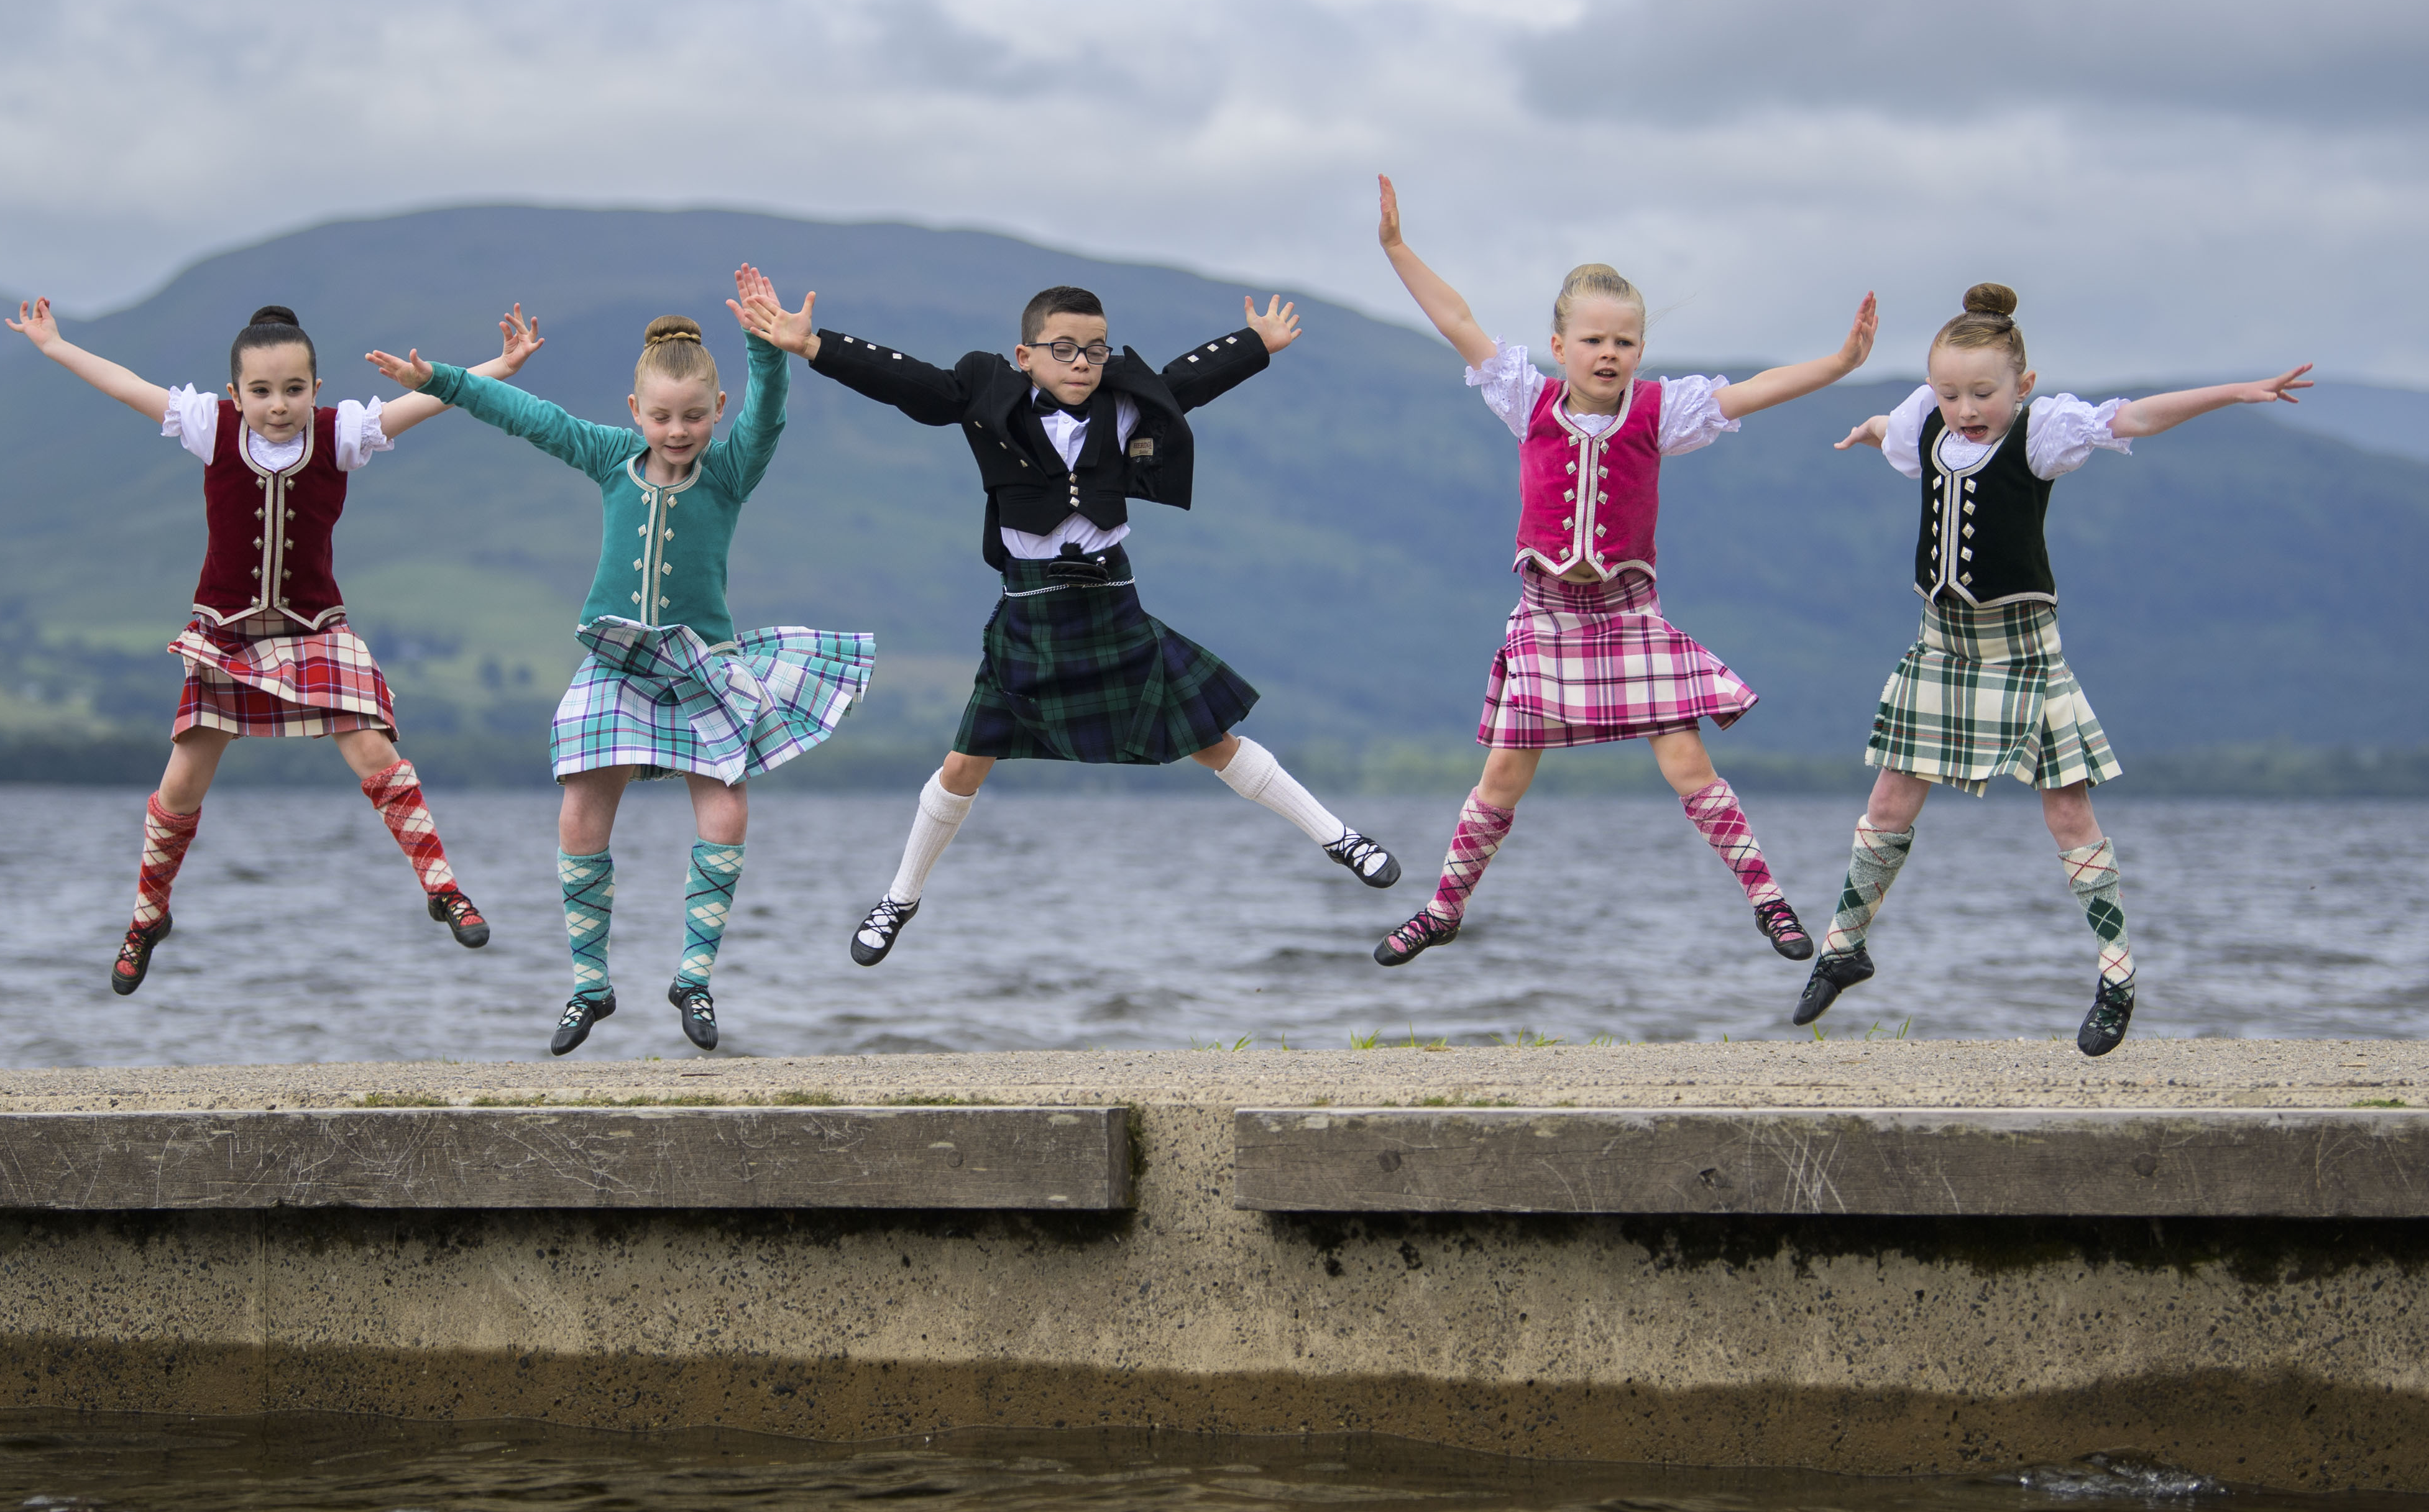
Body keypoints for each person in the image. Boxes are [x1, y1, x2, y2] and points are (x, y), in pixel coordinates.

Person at [733, 264, 1401, 969]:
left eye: (1096, 347)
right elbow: (914, 386)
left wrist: (1256, 342)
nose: (1083, 362)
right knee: (966, 761)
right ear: (1026, 355)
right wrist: (813, 345)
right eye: (1064, 348)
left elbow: (1188, 381)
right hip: (1031, 610)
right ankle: (901, 897)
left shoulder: (1126, 397)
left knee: (1213, 737)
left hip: (1114, 605)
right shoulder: (984, 389)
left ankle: (1338, 836)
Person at [1370, 175, 1878, 968]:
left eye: (1625, 342)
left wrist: (1840, 363)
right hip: (1545, 612)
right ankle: (1442, 909)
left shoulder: (1660, 412)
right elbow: (1458, 320)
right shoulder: (1524, 399)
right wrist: (1399, 248)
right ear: (1561, 344)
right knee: (1503, 771)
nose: (1609, 354)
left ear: (1640, 350)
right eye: (1594, 340)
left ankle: (1770, 901)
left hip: (1630, 613)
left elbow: (1749, 394)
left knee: (1687, 760)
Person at [1811, 283, 2312, 1055]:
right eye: (1950, 392)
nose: (1965, 406)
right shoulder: (1923, 424)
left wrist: (2237, 392)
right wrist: (1871, 424)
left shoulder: (2045, 435)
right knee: (1888, 797)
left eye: (1983, 392)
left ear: (2023, 385)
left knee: (2068, 813)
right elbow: (1893, 429)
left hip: (2024, 653)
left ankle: (2117, 976)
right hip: (1941, 646)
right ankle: (1844, 948)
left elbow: (2135, 416)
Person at [371, 303, 871, 1056]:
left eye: (695, 417)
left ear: (715, 412)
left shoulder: (729, 472)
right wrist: (443, 379)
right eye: (664, 417)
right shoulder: (609, 455)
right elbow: (529, 415)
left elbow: (767, 419)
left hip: (702, 660)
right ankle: (589, 984)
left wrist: (765, 349)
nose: (678, 432)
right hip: (617, 659)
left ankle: (694, 976)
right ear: (636, 411)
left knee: (726, 809)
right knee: (580, 807)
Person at [11, 297, 529, 996]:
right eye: (260, 391)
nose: (277, 405)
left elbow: (433, 403)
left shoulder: (342, 431)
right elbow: (126, 383)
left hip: (314, 627)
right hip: (228, 635)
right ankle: (147, 915)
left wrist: (500, 363)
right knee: (182, 780)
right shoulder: (208, 426)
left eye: (292, 390)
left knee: (374, 745)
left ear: (316, 388)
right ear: (235, 393)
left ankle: (443, 888)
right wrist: (54, 346)